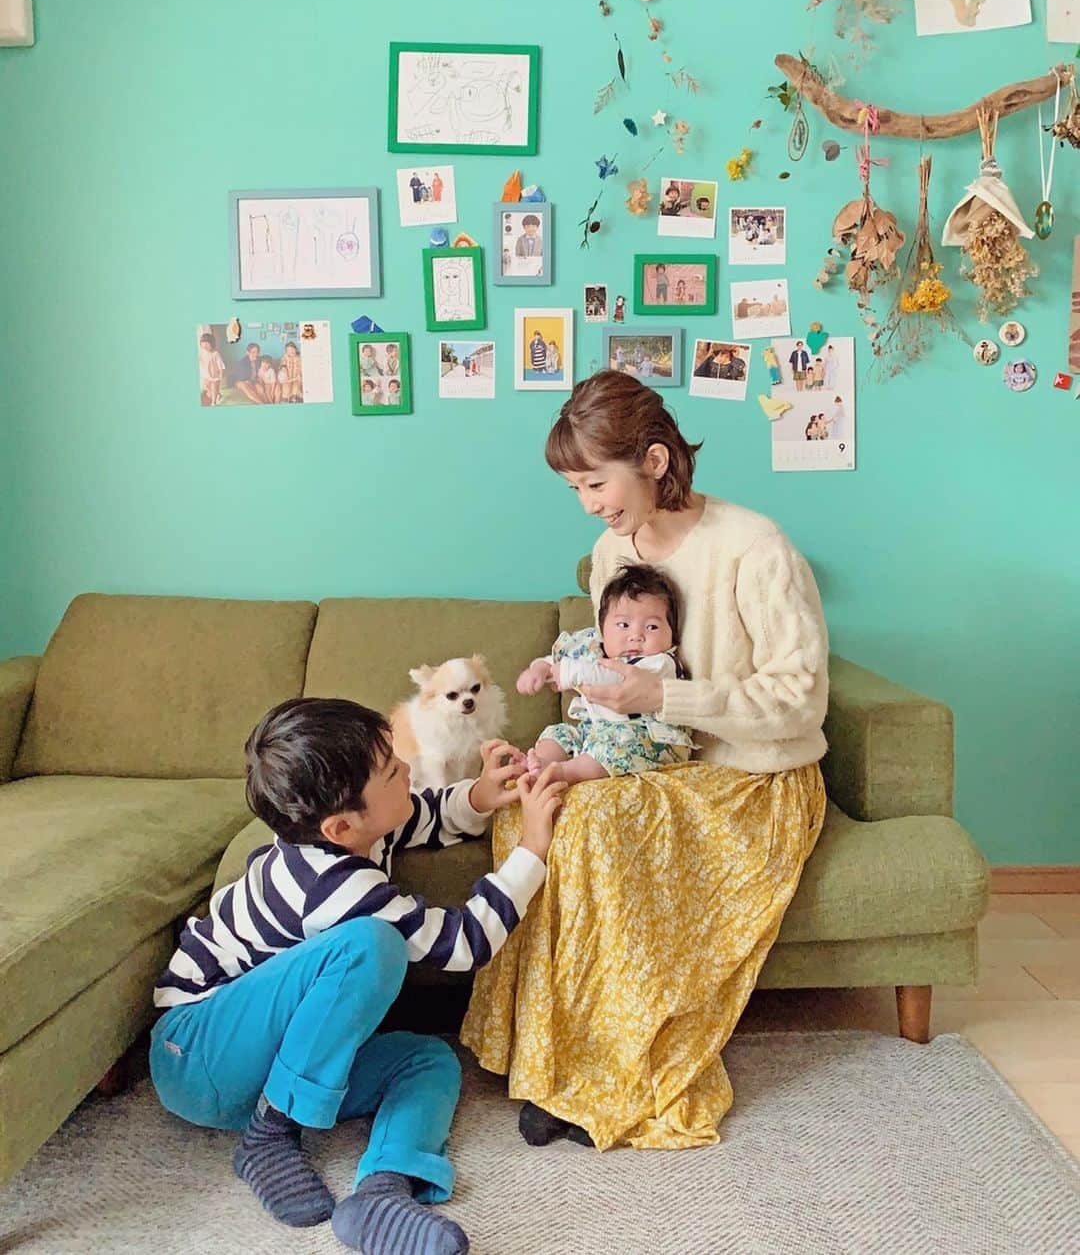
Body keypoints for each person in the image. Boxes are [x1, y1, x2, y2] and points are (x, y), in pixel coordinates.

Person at [461, 370, 828, 1153]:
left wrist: (662, 701)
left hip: (752, 779)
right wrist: (573, 738)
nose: (591, 503)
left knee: (591, 830)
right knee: (548, 800)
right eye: (575, 488)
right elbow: (604, 680)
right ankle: (551, 1056)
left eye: (597, 481)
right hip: (656, 766)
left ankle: (603, 1071)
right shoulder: (609, 551)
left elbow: (800, 700)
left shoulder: (754, 547)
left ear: (655, 460)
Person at [151, 698, 566, 1251]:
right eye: (393, 771)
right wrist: (532, 846)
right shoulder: (331, 884)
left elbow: (421, 813)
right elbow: (464, 944)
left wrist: (481, 795)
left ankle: (383, 1192)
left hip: (259, 1069)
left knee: (429, 1060)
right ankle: (270, 1135)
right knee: (371, 944)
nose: (408, 771)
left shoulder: (351, 833)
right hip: (198, 1052)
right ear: (341, 824)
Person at [516, 562, 693, 784]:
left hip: (647, 737)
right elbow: (556, 660)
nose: (636, 635)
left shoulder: (661, 663)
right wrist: (539, 669)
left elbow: (615, 677)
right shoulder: (591, 647)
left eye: (652, 627)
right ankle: (538, 764)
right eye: (623, 625)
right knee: (560, 733)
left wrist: (571, 672)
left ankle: (563, 773)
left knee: (617, 745)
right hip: (594, 729)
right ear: (602, 629)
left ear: (672, 635)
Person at [198, 332, 225, 407]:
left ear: (212, 344)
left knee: (214, 388)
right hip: (206, 376)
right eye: (203, 343)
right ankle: (218, 394)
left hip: (214, 375)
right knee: (207, 388)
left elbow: (221, 365)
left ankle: (213, 402)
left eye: (207, 343)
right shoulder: (201, 354)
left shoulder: (215, 354)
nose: (205, 345)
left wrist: (221, 375)